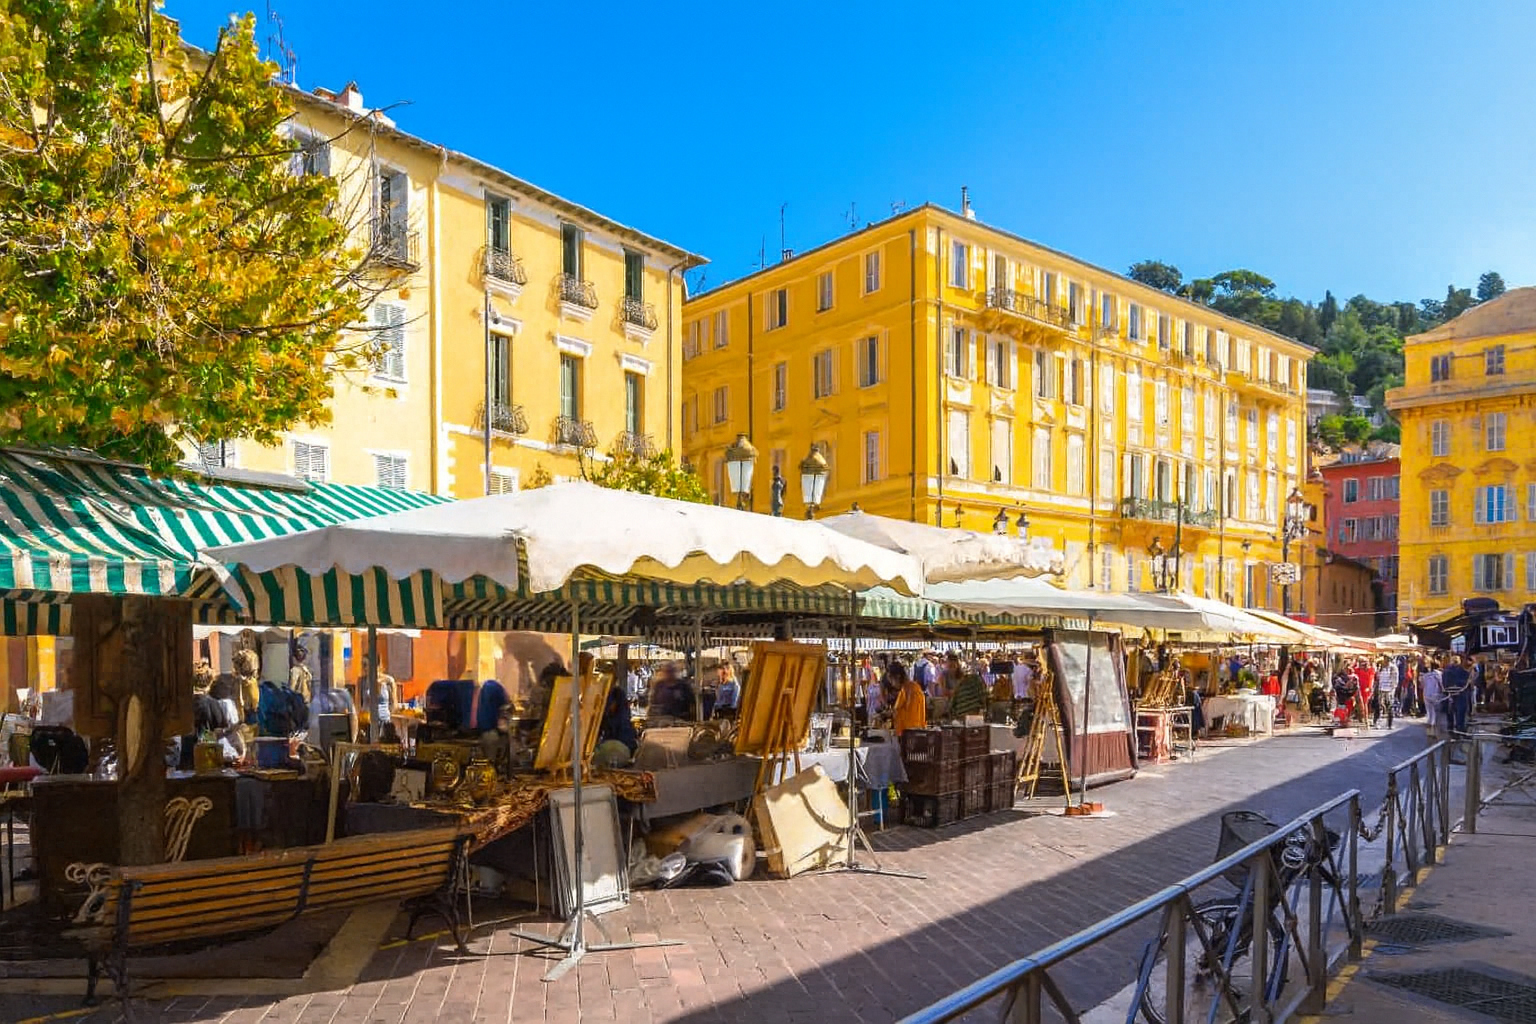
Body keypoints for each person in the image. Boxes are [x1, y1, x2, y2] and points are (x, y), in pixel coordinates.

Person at [597, 685, 639, 753]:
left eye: (611, 703)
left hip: (621, 749)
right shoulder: (610, 715)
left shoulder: (621, 719)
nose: (609, 706)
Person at [890, 663, 926, 736]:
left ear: (897, 677)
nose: (892, 684)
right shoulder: (905, 689)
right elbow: (898, 710)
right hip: (907, 734)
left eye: (891, 680)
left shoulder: (912, 690)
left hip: (911, 735)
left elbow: (913, 718)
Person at [361, 655, 396, 727]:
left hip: (384, 719)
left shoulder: (389, 681)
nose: (363, 668)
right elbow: (358, 703)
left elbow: (394, 703)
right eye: (362, 665)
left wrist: (391, 718)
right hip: (367, 721)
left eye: (365, 665)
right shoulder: (362, 681)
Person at [1442, 655, 1472, 736]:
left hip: (1449, 694)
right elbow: (1467, 683)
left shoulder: (1445, 671)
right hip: (1460, 694)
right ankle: (1460, 730)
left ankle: (1450, 729)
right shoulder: (1463, 671)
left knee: (1450, 713)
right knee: (1460, 714)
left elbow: (1444, 683)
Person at [1421, 659, 1445, 740]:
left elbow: (1422, 685)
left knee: (1430, 713)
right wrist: (1444, 691)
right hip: (1436, 694)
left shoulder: (1426, 675)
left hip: (1426, 694)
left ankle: (1429, 732)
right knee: (1436, 714)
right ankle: (1435, 732)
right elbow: (1441, 684)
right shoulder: (1439, 674)